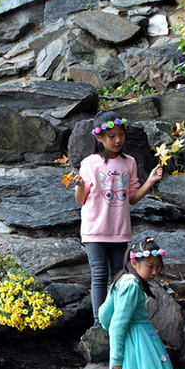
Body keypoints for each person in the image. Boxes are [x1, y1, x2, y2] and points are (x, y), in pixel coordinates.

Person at [73, 110, 163, 326]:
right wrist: (80, 186)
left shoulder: (129, 162)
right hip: (94, 229)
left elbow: (132, 198)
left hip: (119, 230)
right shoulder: (90, 163)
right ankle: (99, 323)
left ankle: (117, 318)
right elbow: (81, 199)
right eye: (111, 136)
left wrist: (149, 181)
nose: (117, 140)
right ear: (99, 137)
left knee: (119, 275)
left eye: (121, 135)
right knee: (99, 273)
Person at [99, 237, 177, 369]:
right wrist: (116, 358)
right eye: (150, 266)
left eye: (158, 267)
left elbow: (104, 313)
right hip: (139, 341)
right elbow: (117, 324)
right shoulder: (131, 286)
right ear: (134, 263)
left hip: (133, 339)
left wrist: (105, 325)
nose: (155, 272)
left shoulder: (121, 279)